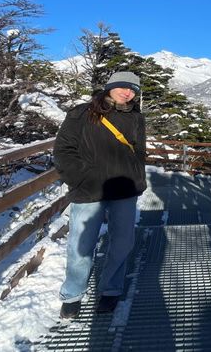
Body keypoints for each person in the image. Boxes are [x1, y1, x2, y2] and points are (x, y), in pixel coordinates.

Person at [53, 71, 147, 319]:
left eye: (133, 90)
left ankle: (111, 290)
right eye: (123, 87)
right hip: (88, 188)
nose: (128, 93)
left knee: (122, 242)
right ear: (110, 87)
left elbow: (139, 151)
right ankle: (72, 294)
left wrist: (137, 176)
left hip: (124, 188)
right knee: (80, 245)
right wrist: (80, 177)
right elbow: (63, 150)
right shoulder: (82, 113)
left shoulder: (136, 118)